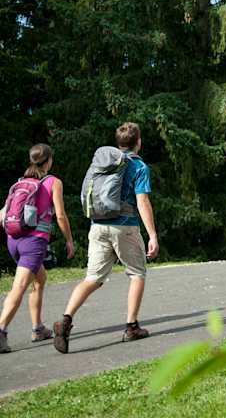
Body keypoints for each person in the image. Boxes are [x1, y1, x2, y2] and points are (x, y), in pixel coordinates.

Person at [53, 121, 158, 352]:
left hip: (97, 226)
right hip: (125, 227)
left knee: (92, 278)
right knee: (137, 273)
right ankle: (132, 327)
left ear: (119, 142)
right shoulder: (139, 167)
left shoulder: (102, 163)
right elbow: (142, 201)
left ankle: (66, 320)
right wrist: (152, 234)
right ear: (138, 142)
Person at [0, 143, 75, 353]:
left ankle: (38, 328)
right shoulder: (53, 182)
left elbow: (5, 211)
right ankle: (0, 330)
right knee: (20, 285)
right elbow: (60, 215)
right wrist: (69, 239)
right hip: (34, 242)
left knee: (39, 279)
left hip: (13, 240)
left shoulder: (21, 183)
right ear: (48, 160)